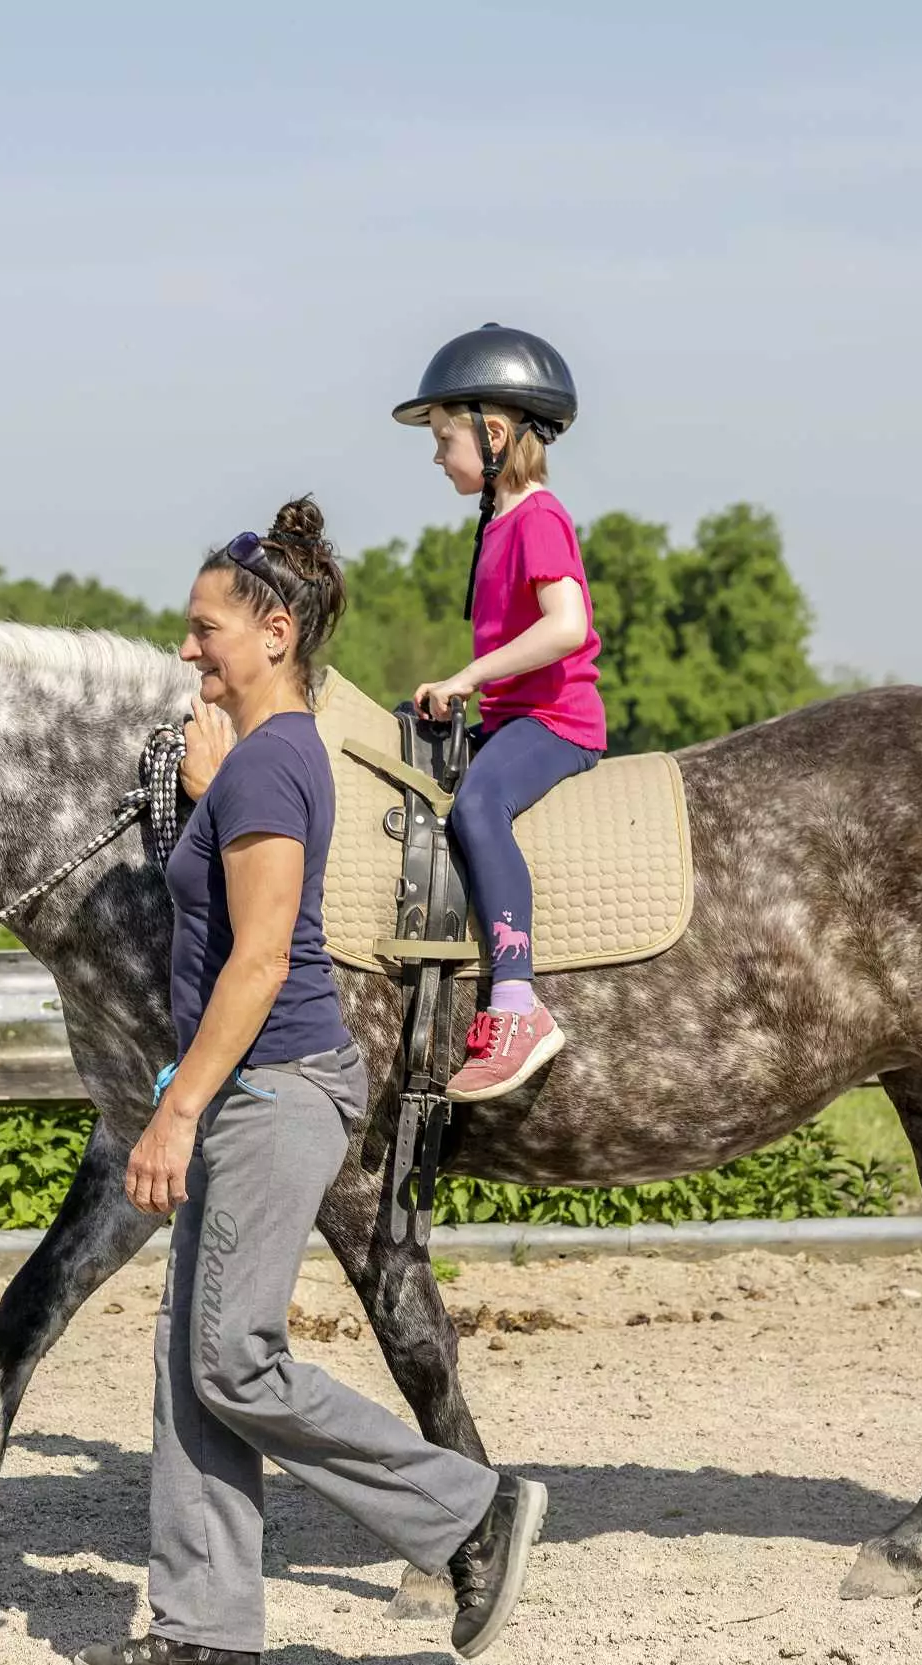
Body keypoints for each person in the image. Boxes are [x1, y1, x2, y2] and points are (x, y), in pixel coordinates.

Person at [73, 498, 548, 1665]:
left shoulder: (280, 763)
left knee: (234, 1355)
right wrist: (199, 796)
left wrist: (176, 1107)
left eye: (204, 628)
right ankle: (206, 1624)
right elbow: (217, 922)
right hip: (246, 1081)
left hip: (276, 1086)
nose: (187, 648)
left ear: (275, 630)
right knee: (193, 1359)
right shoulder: (254, 760)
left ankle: (471, 1513)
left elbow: (264, 957)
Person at [397, 324, 604, 1103]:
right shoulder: (499, 523)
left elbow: (567, 626)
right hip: (513, 717)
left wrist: (468, 676)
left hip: (557, 723)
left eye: (444, 437)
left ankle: (518, 1004)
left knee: (478, 806)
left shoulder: (538, 519)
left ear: (491, 435)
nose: (437, 455)